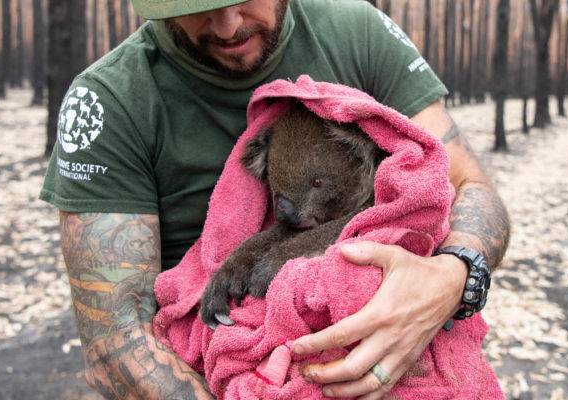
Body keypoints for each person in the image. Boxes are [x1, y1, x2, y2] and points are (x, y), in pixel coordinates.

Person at [39, 0, 510, 398]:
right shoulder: (111, 99)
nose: (228, 26)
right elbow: (114, 345)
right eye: (196, 8)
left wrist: (450, 280)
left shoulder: (357, 34)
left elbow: (470, 187)